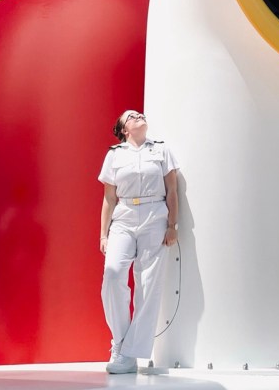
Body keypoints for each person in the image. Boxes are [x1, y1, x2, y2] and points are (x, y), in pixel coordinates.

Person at [98, 109, 179, 374]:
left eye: (139, 114)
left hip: (155, 215)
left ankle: (131, 354)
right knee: (112, 274)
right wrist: (103, 234)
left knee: (148, 284)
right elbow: (109, 198)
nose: (137, 116)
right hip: (123, 216)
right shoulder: (114, 154)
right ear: (123, 129)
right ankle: (120, 343)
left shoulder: (161, 150)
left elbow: (172, 191)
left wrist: (171, 225)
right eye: (130, 117)